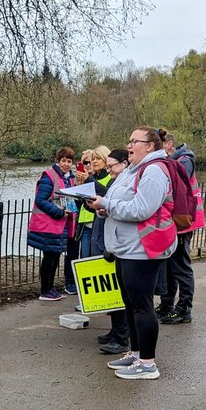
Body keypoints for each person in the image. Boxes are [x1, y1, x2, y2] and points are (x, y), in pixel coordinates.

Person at [92, 127, 176, 381]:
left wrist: (106, 204)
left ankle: (148, 363)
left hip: (143, 249)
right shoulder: (132, 169)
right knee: (129, 303)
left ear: (150, 146)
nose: (129, 145)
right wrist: (103, 208)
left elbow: (142, 209)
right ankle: (136, 352)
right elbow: (120, 202)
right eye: (128, 141)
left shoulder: (153, 171)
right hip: (125, 247)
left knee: (142, 305)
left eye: (134, 141)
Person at [155, 128, 203, 325]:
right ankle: (167, 304)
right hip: (171, 221)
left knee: (181, 266)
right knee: (168, 265)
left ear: (168, 145)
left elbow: (176, 186)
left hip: (183, 222)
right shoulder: (172, 161)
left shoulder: (183, 160)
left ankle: (184, 308)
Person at [90, 149, 131, 355]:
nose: (109, 170)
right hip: (111, 240)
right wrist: (100, 208)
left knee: (122, 293)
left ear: (124, 164)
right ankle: (117, 331)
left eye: (111, 166)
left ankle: (122, 337)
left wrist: (105, 205)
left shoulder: (127, 181)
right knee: (115, 289)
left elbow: (127, 208)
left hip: (122, 243)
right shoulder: (119, 180)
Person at [28, 147, 74, 301]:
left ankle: (50, 288)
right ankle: (45, 290)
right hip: (49, 224)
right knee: (49, 257)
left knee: (54, 256)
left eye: (69, 161)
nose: (66, 164)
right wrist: (59, 212)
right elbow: (40, 200)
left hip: (61, 224)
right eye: (64, 161)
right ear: (58, 161)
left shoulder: (69, 178)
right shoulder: (49, 177)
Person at [74, 147, 111, 262]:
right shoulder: (91, 178)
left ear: (106, 160)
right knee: (85, 258)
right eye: (93, 158)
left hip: (101, 225)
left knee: (98, 258)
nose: (94, 162)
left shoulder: (111, 178)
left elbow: (107, 196)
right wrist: (78, 188)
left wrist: (88, 180)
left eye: (98, 158)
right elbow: (81, 205)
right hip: (86, 224)